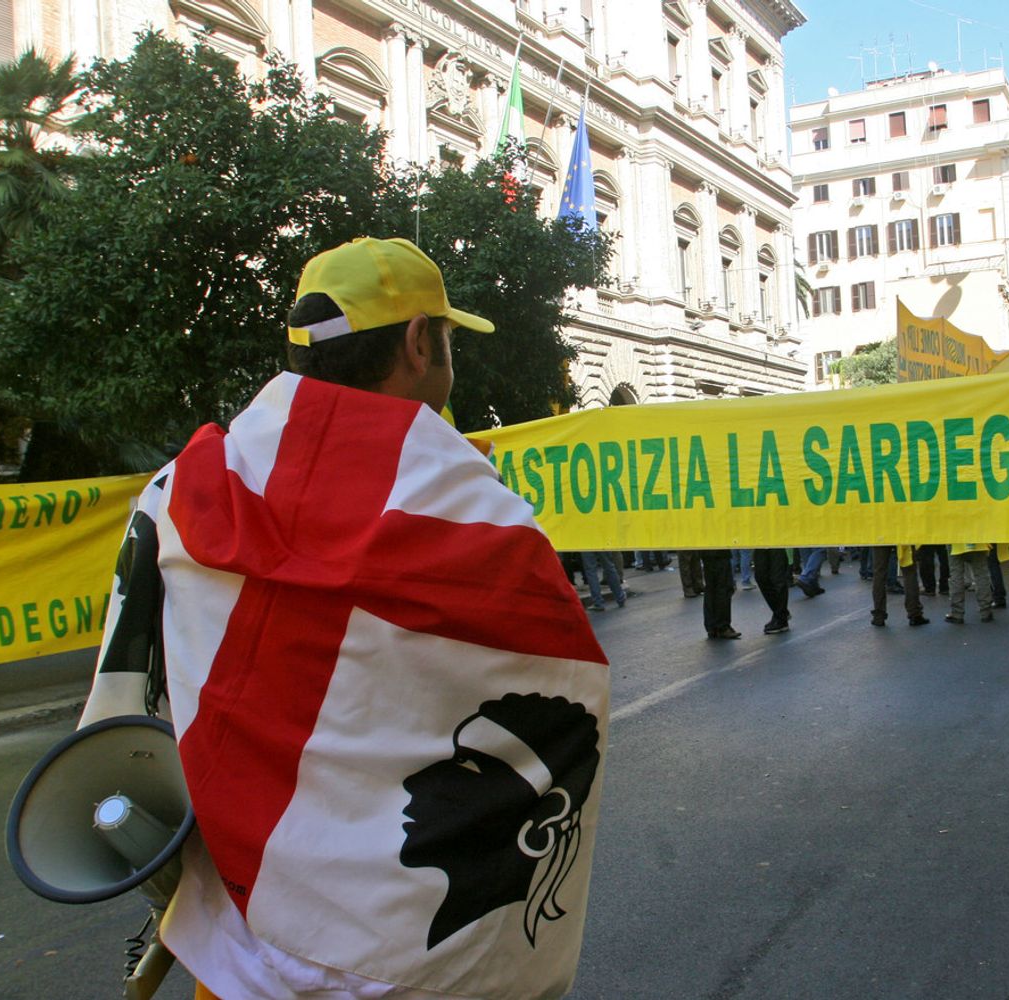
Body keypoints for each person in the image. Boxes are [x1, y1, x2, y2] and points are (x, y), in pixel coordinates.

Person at [76, 237, 610, 1000]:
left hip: (237, 949)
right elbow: (566, 688)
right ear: (419, 343)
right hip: (411, 968)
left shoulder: (181, 489)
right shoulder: (475, 510)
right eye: (448, 338)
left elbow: (132, 701)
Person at [870, 544, 928, 627]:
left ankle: (878, 616)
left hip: (881, 534)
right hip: (902, 534)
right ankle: (914, 613)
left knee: (879, 572)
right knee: (909, 571)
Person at [945, 543, 996, 623]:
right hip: (977, 539)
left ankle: (957, 613)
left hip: (955, 540)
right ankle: (986, 611)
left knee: (956, 575)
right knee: (981, 575)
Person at [699, 548, 740, 638]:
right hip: (719, 551)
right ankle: (722, 626)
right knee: (723, 588)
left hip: (707, 551)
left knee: (711, 589)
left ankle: (712, 626)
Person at [752, 547, 792, 634]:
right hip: (760, 541)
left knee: (777, 579)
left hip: (775, 540)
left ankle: (781, 618)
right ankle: (781, 612)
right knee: (760, 577)